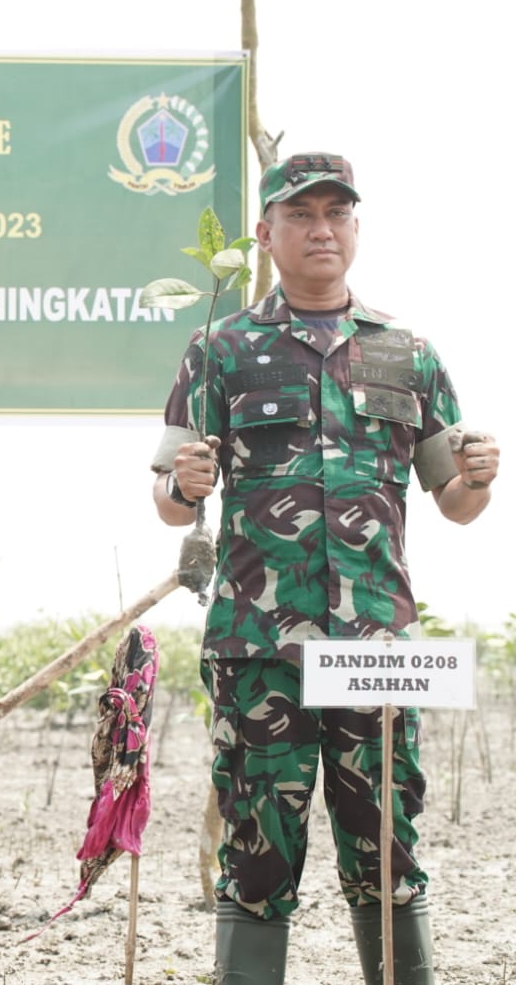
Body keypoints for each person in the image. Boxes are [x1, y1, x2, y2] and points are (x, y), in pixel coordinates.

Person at [150, 152, 498, 985]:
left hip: (376, 647)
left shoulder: (408, 352)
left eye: (336, 213)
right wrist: (183, 484)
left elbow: (454, 500)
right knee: (258, 848)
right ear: (267, 233)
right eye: (301, 215)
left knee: (387, 846)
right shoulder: (219, 348)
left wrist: (480, 477)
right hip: (259, 645)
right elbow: (169, 499)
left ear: (355, 228)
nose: (320, 229)